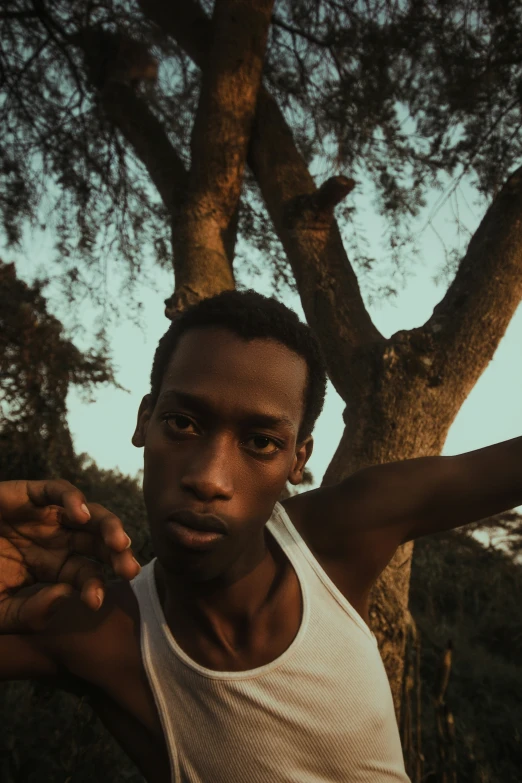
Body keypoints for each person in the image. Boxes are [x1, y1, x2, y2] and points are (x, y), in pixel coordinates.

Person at [1, 290, 520, 783]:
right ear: (145, 420)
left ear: (298, 459)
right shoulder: (97, 628)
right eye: (183, 423)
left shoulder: (338, 536)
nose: (209, 478)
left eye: (260, 441)